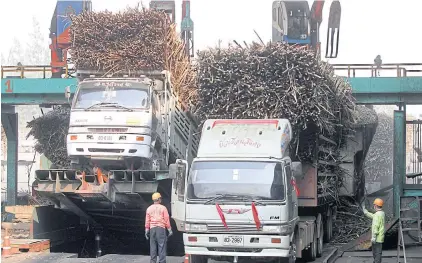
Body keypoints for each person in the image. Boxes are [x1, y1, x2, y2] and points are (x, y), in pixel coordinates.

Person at [145, 192, 173, 263]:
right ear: (159, 199)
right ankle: (162, 261)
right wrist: (169, 230)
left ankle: (153, 261)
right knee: (162, 246)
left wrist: (146, 230)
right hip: (161, 229)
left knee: (153, 246)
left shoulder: (149, 209)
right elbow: (166, 219)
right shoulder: (163, 208)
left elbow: (147, 220)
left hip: (152, 229)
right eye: (160, 198)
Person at [362, 198, 385, 263]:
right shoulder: (382, 213)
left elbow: (375, 226)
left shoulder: (377, 215)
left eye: (374, 205)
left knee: (376, 253)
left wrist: (374, 237)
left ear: (375, 206)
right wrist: (365, 212)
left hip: (377, 238)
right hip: (380, 238)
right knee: (378, 253)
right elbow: (373, 216)